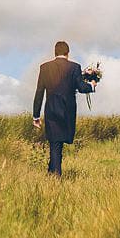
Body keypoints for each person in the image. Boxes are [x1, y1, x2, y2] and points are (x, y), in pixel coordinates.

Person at [31, 40, 95, 176]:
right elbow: (81, 87)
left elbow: (39, 92)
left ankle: (51, 174)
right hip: (67, 111)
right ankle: (56, 177)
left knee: (55, 143)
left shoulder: (44, 67)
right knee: (57, 145)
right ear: (68, 53)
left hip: (51, 110)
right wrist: (92, 85)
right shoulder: (74, 67)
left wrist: (36, 116)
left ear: (55, 52)